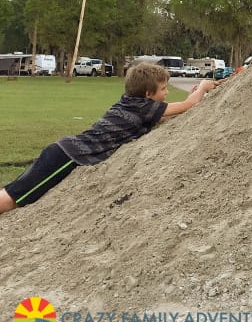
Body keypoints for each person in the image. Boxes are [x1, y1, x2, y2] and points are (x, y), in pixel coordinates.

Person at [0, 62, 217, 215]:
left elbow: (170, 110)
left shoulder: (130, 102)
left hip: (61, 150)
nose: (167, 93)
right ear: (148, 95)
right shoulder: (144, 108)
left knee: (16, 188)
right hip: (68, 157)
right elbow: (189, 105)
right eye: (163, 89)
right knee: (14, 197)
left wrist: (194, 92)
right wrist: (204, 87)